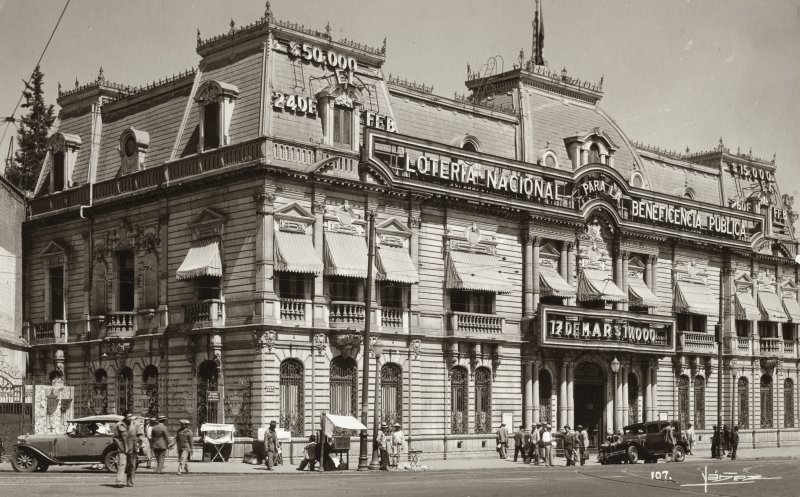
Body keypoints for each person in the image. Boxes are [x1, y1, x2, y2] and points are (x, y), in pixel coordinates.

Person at [113, 411, 142, 488]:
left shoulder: (136, 424)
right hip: (123, 448)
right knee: (122, 464)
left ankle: (130, 481)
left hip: (133, 448)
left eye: (131, 416)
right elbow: (115, 437)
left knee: (132, 465)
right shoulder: (119, 425)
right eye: (128, 416)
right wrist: (120, 446)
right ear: (124, 417)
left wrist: (139, 443)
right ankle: (120, 482)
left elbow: (140, 435)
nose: (130, 418)